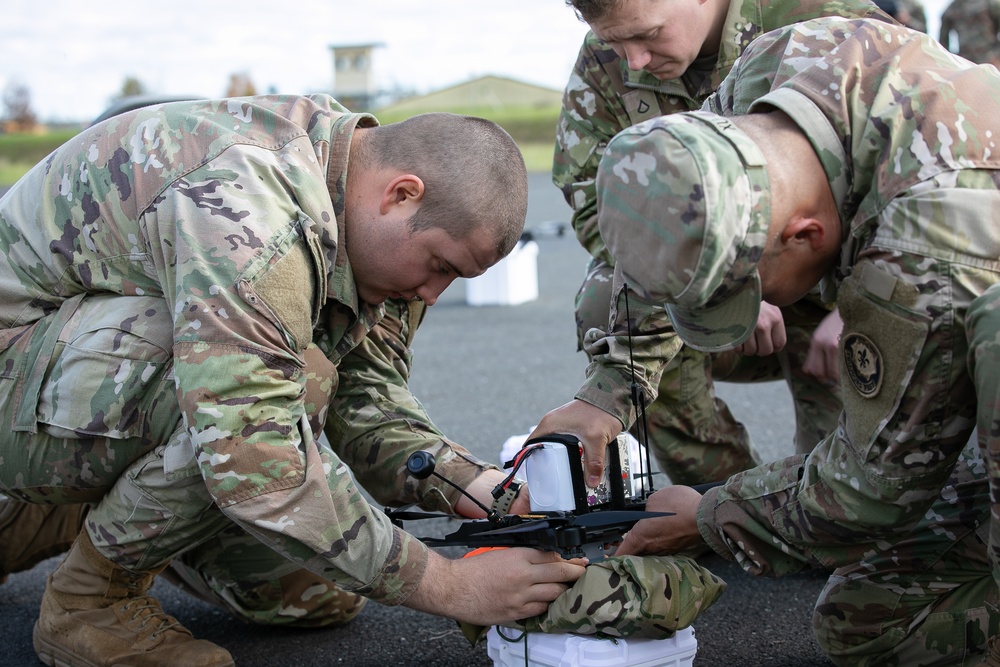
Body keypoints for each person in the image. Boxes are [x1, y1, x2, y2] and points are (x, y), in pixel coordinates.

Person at [0, 94, 586, 667]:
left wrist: (465, 481)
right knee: (272, 390)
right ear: (401, 195)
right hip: (14, 382)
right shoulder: (250, 207)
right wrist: (451, 585)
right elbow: (254, 442)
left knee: (318, 594)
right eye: (440, 267)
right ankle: (90, 603)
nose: (435, 294)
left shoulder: (368, 227)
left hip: (75, 397)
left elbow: (363, 395)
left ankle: (95, 504)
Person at [568, 17, 1000, 665]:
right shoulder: (770, 75)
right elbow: (668, 221)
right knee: (863, 610)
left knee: (879, 622)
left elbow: (868, 491)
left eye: (753, 285)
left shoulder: (924, 244)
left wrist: (709, 514)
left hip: (972, 305)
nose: (764, 305)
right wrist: (604, 392)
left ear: (804, 234)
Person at [552, 0, 894, 486]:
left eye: (649, 35)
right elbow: (596, 204)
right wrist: (721, 284)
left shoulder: (826, 20)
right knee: (608, 297)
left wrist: (866, 302)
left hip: (839, 290)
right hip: (714, 311)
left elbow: (927, 172)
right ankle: (717, 495)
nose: (634, 61)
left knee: (851, 501)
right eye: (615, 42)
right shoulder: (609, 54)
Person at [940, 0, 1000, 66]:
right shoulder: (953, 8)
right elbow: (943, 42)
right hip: (966, 60)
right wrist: (949, 61)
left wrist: (996, 54)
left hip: (989, 56)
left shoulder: (989, 3)